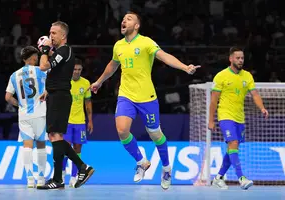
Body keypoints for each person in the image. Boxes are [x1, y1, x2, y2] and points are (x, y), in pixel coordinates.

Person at [89, 11, 200, 190]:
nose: (124, 21)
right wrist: (99, 82)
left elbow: (164, 56)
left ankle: (166, 168)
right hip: (126, 95)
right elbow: (112, 65)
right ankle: (142, 161)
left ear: (137, 26)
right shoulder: (118, 45)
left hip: (147, 97)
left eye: (129, 19)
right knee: (122, 130)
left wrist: (184, 67)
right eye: (123, 19)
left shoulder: (146, 42)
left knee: (155, 134)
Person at [37, 21, 94, 190]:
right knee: (54, 137)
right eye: (49, 32)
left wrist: (45, 50)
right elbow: (58, 73)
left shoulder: (65, 50)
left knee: (55, 136)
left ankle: (75, 171)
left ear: (63, 36)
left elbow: (43, 66)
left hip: (60, 97)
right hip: (55, 95)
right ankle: (67, 175)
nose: (50, 36)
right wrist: (48, 90)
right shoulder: (60, 52)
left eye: (54, 33)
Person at [209, 46, 269, 190]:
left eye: (242, 58)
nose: (240, 60)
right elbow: (213, 101)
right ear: (230, 59)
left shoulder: (247, 76)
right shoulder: (221, 76)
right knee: (233, 143)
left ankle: (218, 178)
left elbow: (254, 94)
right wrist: (211, 120)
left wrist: (262, 108)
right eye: (238, 58)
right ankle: (241, 178)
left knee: (232, 149)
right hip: (225, 116)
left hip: (240, 118)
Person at [5, 46, 47, 188]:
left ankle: (29, 178)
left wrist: (19, 105)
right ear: (34, 57)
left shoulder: (14, 75)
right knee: (41, 144)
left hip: (24, 115)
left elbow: (8, 97)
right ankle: (41, 178)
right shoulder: (41, 71)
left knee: (27, 146)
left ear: (23, 59)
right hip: (40, 113)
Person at [62, 58, 93, 187]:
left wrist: (90, 121)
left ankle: (74, 177)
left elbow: (88, 103)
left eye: (79, 70)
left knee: (77, 150)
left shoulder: (86, 83)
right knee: (65, 149)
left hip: (80, 121)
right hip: (66, 121)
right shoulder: (64, 82)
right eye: (75, 69)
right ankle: (62, 175)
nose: (77, 72)